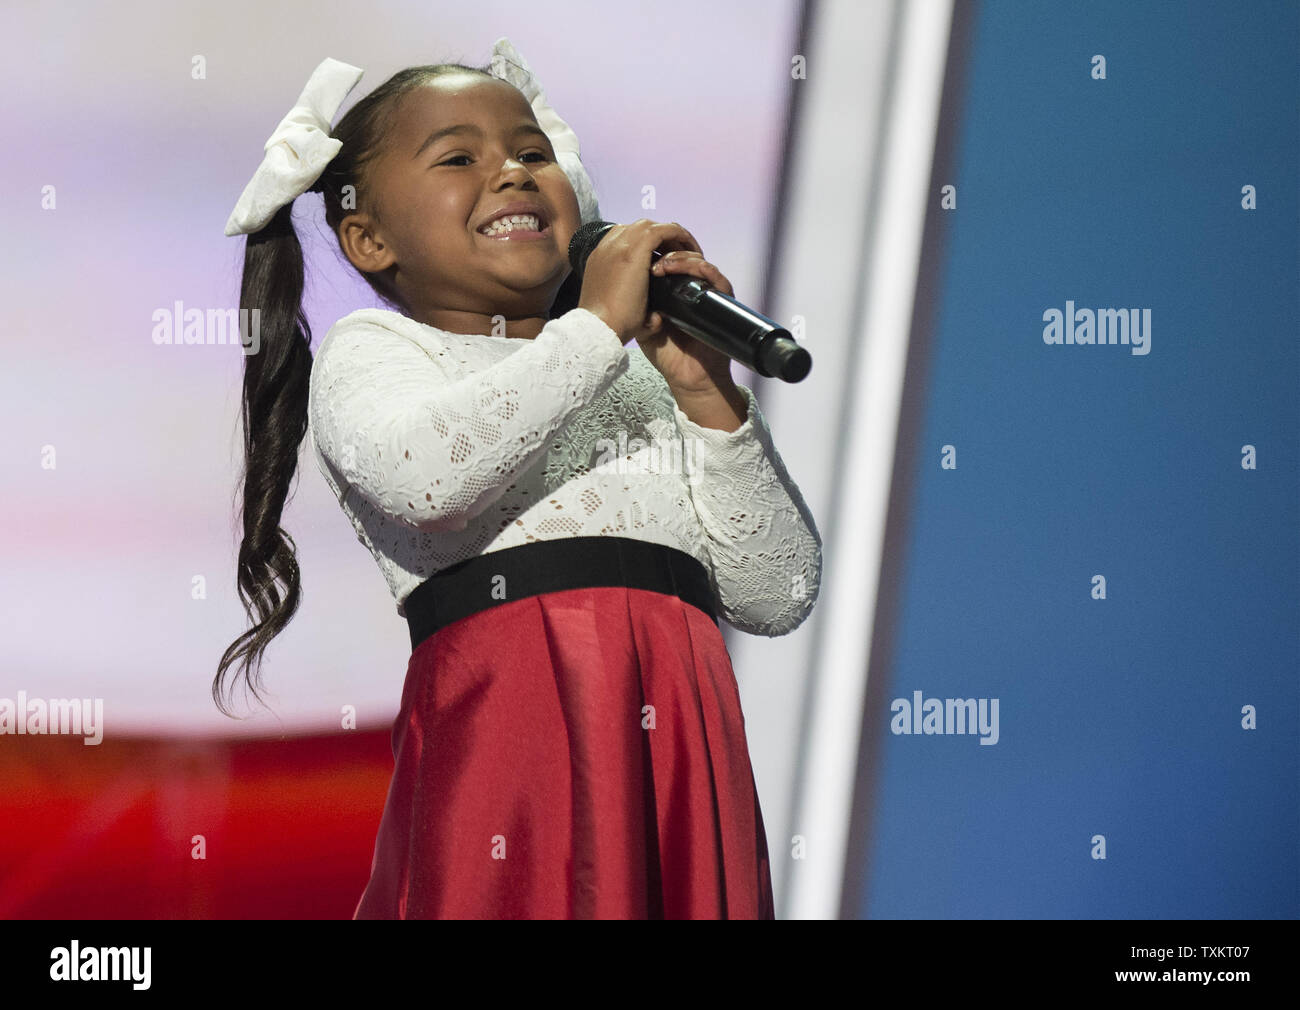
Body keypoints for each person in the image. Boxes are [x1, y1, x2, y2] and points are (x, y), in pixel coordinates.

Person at [216, 38, 822, 919]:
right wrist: (595, 328)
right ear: (369, 238)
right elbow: (423, 479)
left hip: (678, 747)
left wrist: (704, 392)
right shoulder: (380, 350)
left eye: (533, 153)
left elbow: (779, 591)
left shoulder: (644, 377)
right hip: (521, 739)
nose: (512, 173)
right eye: (459, 158)